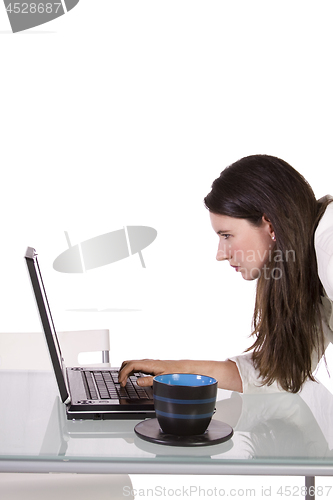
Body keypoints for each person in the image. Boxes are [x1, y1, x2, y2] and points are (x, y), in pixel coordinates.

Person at [119, 155, 333, 394]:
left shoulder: (329, 249)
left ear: (270, 224)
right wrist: (175, 371)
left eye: (227, 235)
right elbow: (281, 372)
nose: (221, 254)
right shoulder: (309, 260)